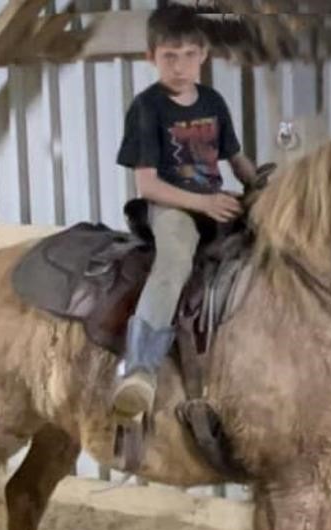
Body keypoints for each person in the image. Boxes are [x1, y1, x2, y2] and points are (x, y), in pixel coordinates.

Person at [113, 3, 257, 421]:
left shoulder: (212, 100)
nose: (180, 66)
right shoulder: (148, 108)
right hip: (171, 204)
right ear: (151, 57)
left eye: (189, 55)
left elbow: (236, 158)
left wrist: (260, 185)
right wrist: (204, 203)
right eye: (169, 56)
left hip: (215, 200)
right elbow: (148, 184)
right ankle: (139, 369)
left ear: (204, 55)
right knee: (175, 258)